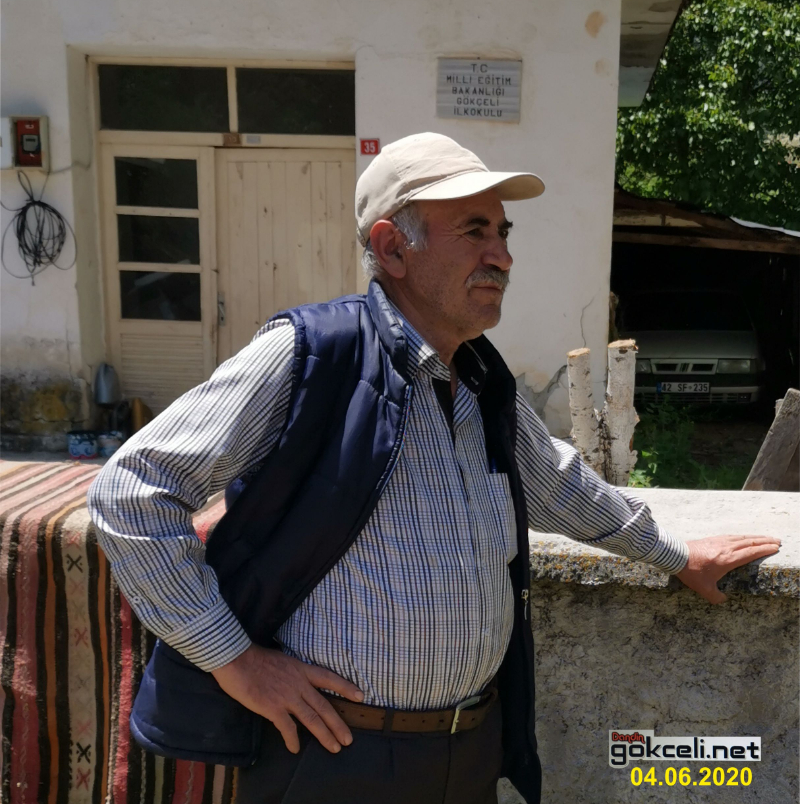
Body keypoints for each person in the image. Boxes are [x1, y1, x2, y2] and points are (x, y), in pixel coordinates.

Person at [88, 132, 780, 804]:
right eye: (475, 231)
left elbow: (558, 485)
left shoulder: (477, 376)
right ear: (393, 248)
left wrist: (676, 553)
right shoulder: (316, 353)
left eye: (503, 232)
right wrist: (236, 661)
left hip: (468, 749)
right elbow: (130, 492)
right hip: (336, 755)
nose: (502, 255)